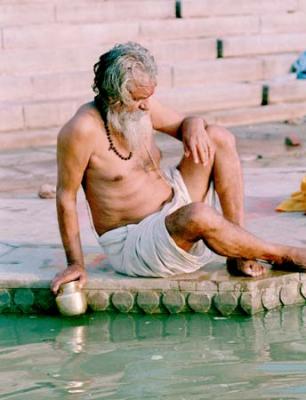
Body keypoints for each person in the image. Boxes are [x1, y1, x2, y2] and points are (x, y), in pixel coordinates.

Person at [51, 42, 306, 293]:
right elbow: (66, 197)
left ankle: (238, 251)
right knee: (198, 215)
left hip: (174, 202)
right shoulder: (81, 130)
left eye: (148, 97)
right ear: (112, 96)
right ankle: (283, 254)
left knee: (218, 137)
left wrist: (193, 125)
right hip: (136, 242)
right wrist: (75, 263)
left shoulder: (144, 103)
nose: (145, 106)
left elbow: (186, 122)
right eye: (137, 99)